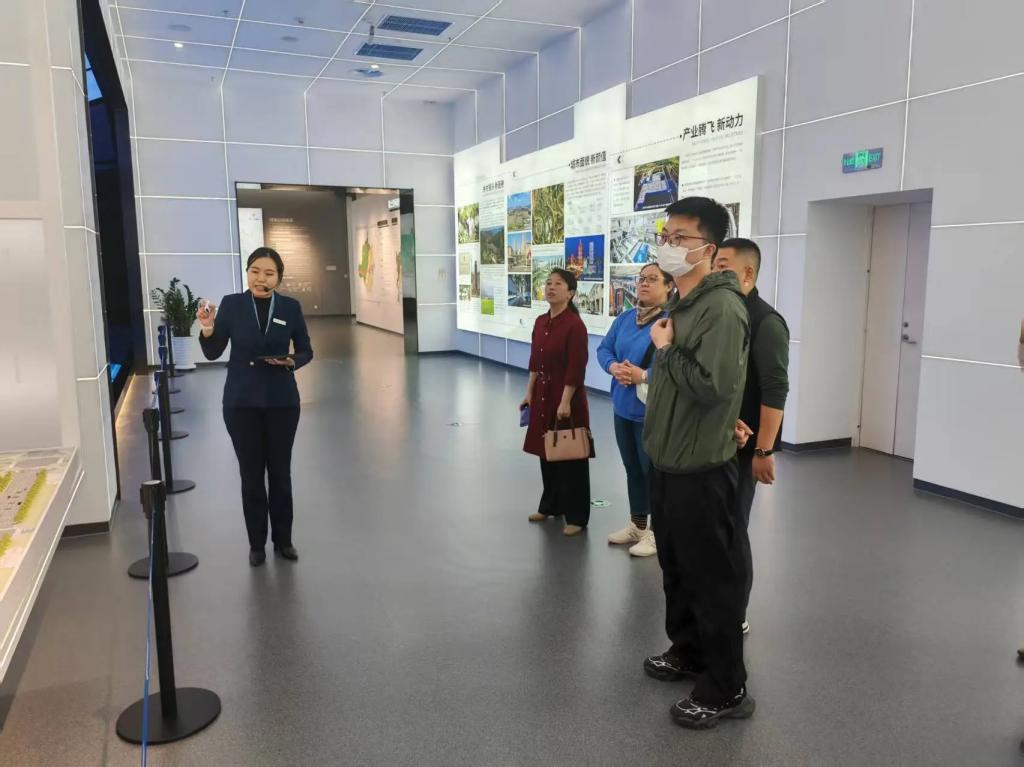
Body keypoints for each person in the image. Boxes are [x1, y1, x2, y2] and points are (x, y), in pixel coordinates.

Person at [640, 197, 753, 729]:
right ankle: (687, 650)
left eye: (680, 237)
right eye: (665, 235)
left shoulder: (722, 308)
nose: (669, 245)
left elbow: (714, 386)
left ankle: (727, 687)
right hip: (669, 462)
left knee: (711, 580)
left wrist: (666, 351)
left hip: (702, 469)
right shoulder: (683, 305)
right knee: (677, 569)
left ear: (708, 249)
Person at [197, 247, 313, 566]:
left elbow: (306, 350)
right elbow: (213, 351)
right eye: (255, 271)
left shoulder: (290, 307)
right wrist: (207, 327)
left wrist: (292, 360)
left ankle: (284, 540)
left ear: (279, 277)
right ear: (247, 273)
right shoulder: (233, 304)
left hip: (282, 403)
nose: (261, 278)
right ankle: (257, 544)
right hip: (241, 403)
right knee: (251, 476)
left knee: (280, 474)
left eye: (269, 273)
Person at [713, 239, 790, 635]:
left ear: (747, 273)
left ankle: (734, 612)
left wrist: (764, 450)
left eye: (723, 266)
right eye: (714, 265)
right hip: (713, 442)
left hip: (744, 449)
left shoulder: (765, 322)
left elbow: (775, 389)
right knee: (712, 527)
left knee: (732, 528)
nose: (715, 272)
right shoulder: (723, 315)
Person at [597, 263, 674, 557]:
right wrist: (614, 367)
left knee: (652, 472)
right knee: (632, 469)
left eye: (653, 279)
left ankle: (657, 532)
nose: (644, 283)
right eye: (641, 278)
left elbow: (676, 365)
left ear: (669, 286)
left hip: (651, 412)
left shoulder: (671, 323)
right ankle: (638, 525)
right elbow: (604, 349)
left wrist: (643, 375)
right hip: (623, 407)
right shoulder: (626, 318)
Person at [521, 268, 591, 536]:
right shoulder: (541, 322)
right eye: (548, 283)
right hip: (542, 395)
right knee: (546, 451)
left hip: (566, 397)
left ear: (570, 293)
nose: (551, 287)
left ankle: (577, 516)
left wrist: (565, 401)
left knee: (570, 455)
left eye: (558, 284)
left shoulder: (574, 325)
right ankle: (551, 505)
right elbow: (534, 361)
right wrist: (529, 392)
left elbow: (576, 367)